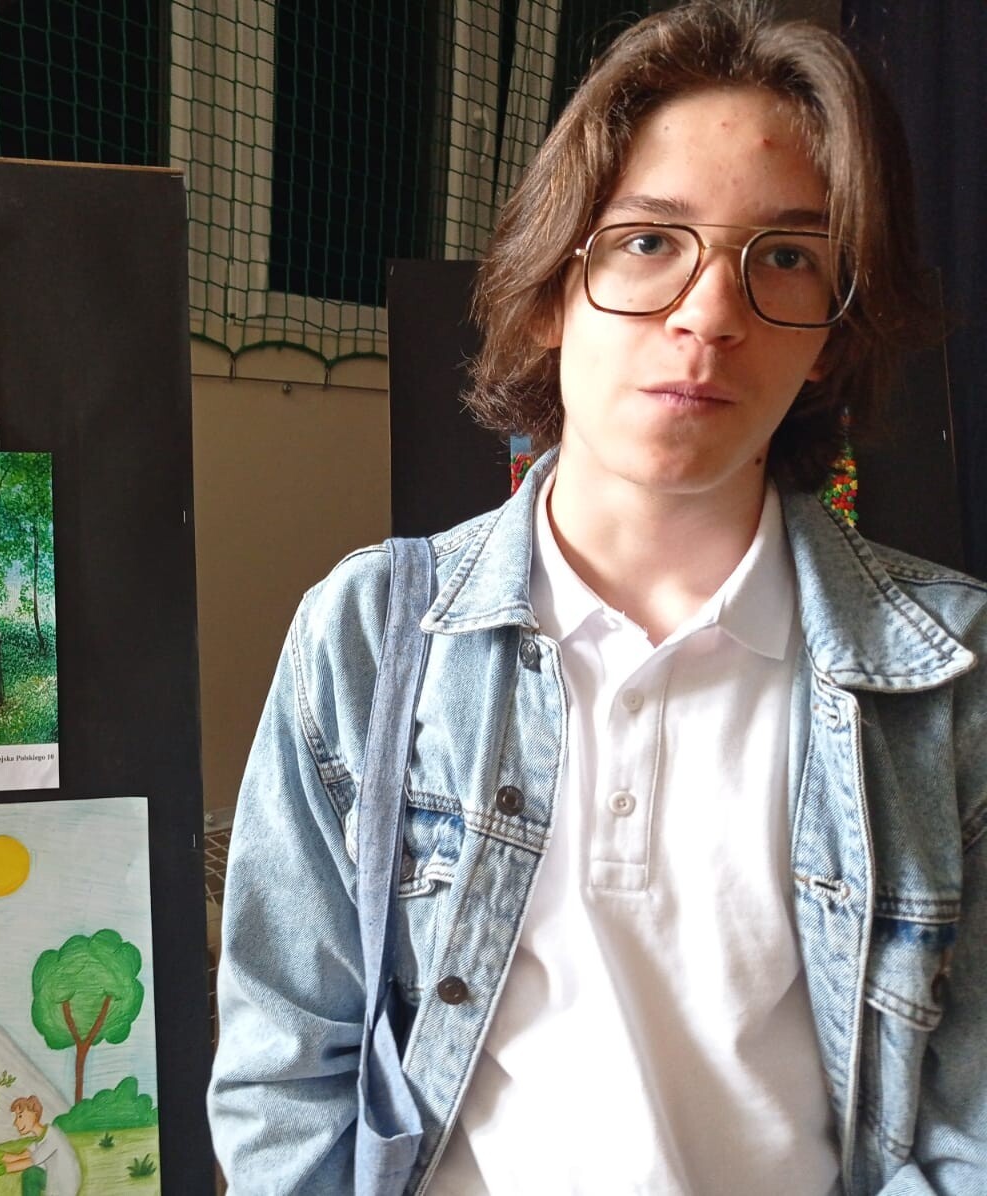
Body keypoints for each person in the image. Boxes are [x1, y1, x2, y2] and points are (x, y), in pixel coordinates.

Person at [208, 2, 985, 1193]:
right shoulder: (366, 635)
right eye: (648, 240)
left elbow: (967, 1128)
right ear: (547, 288)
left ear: (830, 336)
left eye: (785, 257)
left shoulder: (953, 676)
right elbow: (282, 1069)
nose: (709, 313)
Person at [0, 1094, 83, 1196]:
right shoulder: (39, 1141)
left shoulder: (52, 1138)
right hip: (54, 1180)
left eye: (20, 1116)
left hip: (64, 1187)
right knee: (32, 1173)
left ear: (34, 1113)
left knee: (31, 1174)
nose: (15, 1122)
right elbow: (18, 1157)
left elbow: (29, 1162)